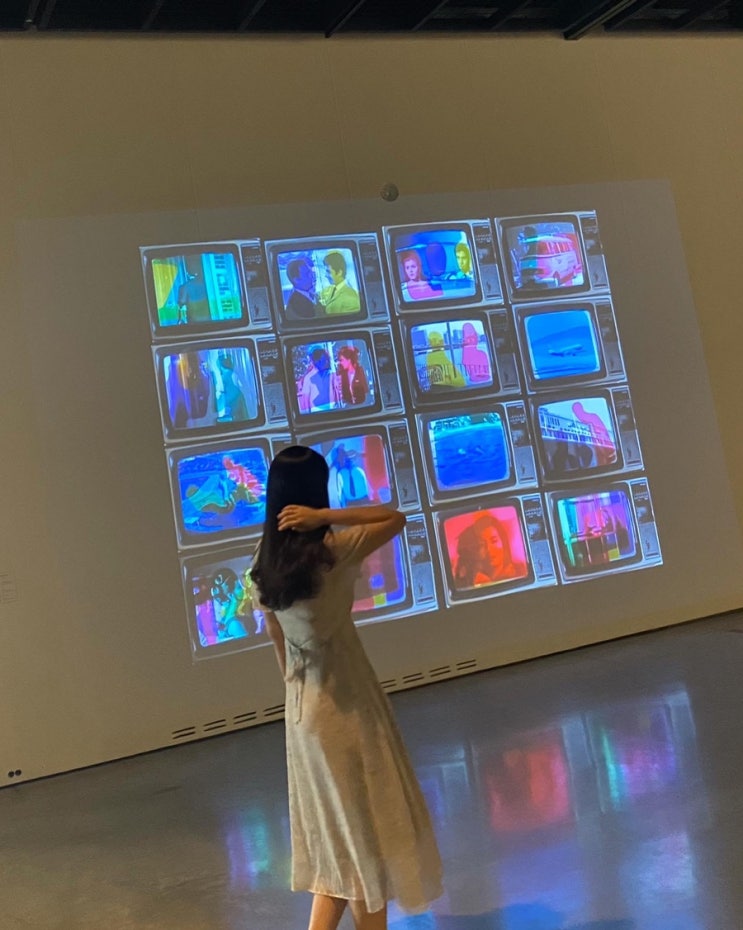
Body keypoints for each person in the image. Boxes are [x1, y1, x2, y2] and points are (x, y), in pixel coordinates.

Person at [250, 447, 443, 930]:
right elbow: (394, 516)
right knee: (363, 846)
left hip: (304, 710)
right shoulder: (336, 549)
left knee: (337, 848)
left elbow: (276, 640)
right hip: (349, 707)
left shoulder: (264, 562)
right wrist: (325, 517)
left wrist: (295, 693)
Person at [454, 513, 522, 588]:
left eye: (494, 541)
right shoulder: (472, 577)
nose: (489, 549)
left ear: (503, 541)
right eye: (481, 544)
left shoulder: (520, 571)